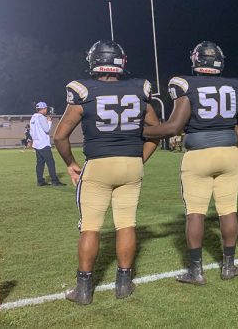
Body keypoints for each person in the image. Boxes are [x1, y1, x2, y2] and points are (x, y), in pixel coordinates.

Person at [53, 39, 159, 305]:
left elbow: (60, 136)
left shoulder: (84, 91)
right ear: (121, 62)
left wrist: (70, 163)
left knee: (90, 227)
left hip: (99, 165)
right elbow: (155, 133)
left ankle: (84, 289)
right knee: (126, 223)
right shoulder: (139, 89)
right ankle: (124, 284)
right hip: (131, 164)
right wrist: (139, 160)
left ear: (93, 61)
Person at [144, 41, 238, 285]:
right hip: (229, 153)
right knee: (228, 210)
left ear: (196, 60)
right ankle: (229, 267)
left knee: (195, 213)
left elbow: (173, 126)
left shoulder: (186, 84)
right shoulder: (235, 85)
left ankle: (196, 272)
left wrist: (140, 130)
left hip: (199, 154)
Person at [30, 101, 64, 186]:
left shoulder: (33, 117)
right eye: (46, 108)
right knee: (50, 162)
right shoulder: (41, 117)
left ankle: (40, 181)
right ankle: (54, 181)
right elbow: (47, 130)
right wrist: (49, 121)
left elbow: (31, 132)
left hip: (36, 144)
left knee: (40, 163)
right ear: (44, 108)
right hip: (43, 144)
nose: (46, 110)